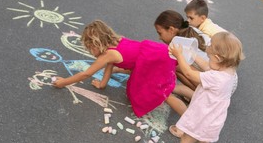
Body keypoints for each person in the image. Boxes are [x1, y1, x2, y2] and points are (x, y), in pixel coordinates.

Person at [52, 20, 187, 117]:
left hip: (154, 61)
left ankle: (188, 120)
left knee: (163, 93)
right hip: (157, 53)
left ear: (95, 44)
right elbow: (110, 65)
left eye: (89, 48)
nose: (90, 51)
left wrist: (63, 82)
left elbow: (85, 74)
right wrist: (102, 84)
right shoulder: (116, 40)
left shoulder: (107, 54)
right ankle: (195, 96)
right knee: (170, 84)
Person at [159, 32, 245, 143]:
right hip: (214, 120)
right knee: (204, 142)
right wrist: (193, 54)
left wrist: (179, 55)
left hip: (201, 118)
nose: (208, 59)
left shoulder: (215, 78)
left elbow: (188, 73)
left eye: (210, 56)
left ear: (218, 59)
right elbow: (207, 66)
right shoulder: (229, 73)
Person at [154, 10, 207, 99]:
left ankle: (200, 95)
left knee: (175, 66)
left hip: (215, 85)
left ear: (171, 29)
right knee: (176, 65)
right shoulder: (190, 29)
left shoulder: (179, 44)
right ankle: (198, 92)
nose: (159, 37)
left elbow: (187, 72)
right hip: (224, 79)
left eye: (160, 33)